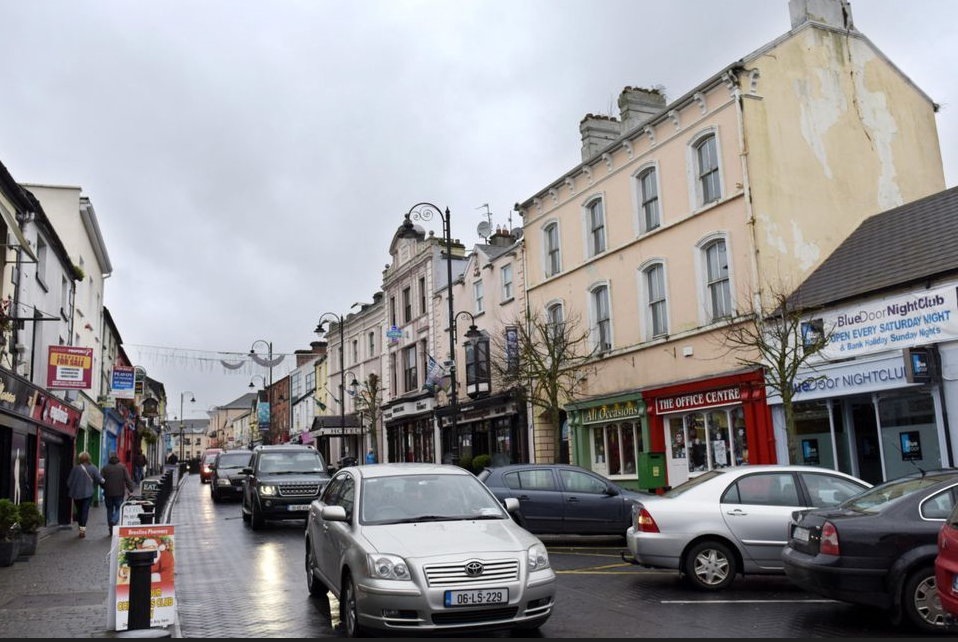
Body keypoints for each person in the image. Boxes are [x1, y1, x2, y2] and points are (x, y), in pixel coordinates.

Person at [66, 451, 105, 539]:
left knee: (79, 511)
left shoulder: (75, 468)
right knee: (85, 511)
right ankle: (82, 530)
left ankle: (81, 527)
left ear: (80, 459)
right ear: (89, 458)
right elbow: (100, 480)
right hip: (88, 493)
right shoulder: (93, 468)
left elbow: (68, 482)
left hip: (76, 494)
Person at [101, 451, 135, 535]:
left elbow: (100, 480)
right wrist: (131, 489)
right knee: (119, 508)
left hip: (108, 493)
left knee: (109, 510)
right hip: (119, 493)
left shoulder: (105, 468)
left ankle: (111, 528)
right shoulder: (122, 467)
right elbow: (127, 479)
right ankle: (114, 520)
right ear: (117, 457)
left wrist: (104, 487)